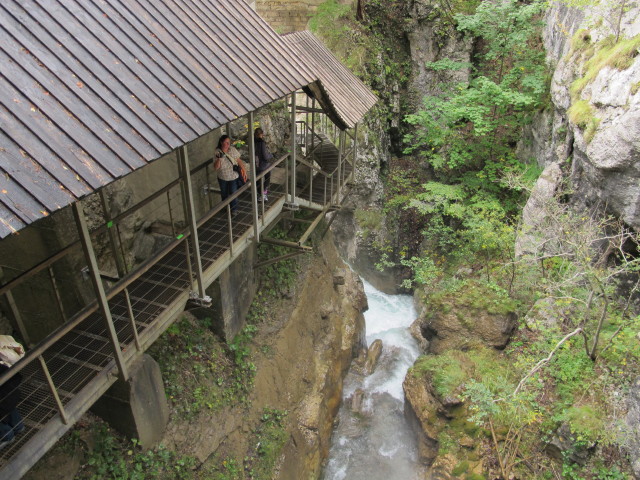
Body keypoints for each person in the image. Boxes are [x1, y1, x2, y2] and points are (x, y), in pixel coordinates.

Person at [0, 336, 25, 449]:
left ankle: (6, 436)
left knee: (3, 403)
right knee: (6, 402)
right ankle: (18, 425)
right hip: (11, 389)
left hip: (6, 394)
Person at [214, 135, 245, 216]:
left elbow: (239, 160)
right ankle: (226, 207)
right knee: (224, 193)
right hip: (223, 177)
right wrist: (219, 159)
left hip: (233, 176)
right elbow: (216, 167)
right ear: (221, 142)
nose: (228, 144)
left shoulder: (232, 149)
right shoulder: (217, 152)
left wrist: (244, 171)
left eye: (229, 142)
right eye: (226, 142)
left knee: (233, 193)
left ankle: (234, 209)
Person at [254, 128, 273, 202]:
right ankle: (263, 194)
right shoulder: (261, 143)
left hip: (256, 164)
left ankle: (260, 194)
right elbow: (265, 156)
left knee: (258, 180)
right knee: (267, 178)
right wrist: (270, 155)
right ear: (261, 134)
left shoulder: (253, 142)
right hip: (264, 165)